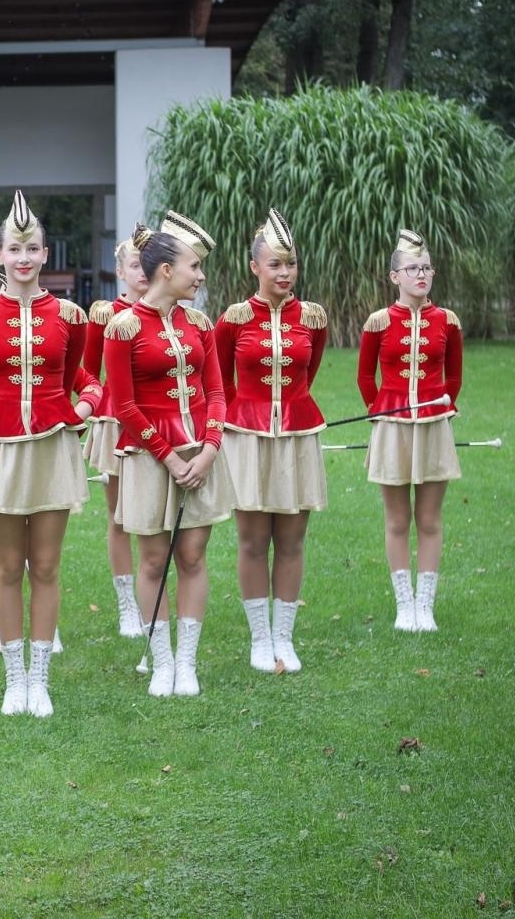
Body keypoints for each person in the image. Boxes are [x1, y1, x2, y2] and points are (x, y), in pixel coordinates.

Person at [0, 192, 91, 717]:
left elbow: (72, 372)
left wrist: (73, 411)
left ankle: (42, 678)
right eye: (15, 249)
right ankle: (15, 678)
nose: (25, 259)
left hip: (53, 445)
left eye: (33, 248)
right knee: (8, 565)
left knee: (48, 565)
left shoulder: (71, 316)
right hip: (0, 448)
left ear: (45, 254)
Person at [104, 212, 234, 697]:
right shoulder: (123, 327)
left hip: (199, 452)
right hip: (149, 457)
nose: (200, 276)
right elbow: (123, 405)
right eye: (194, 266)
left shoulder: (200, 324)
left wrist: (209, 449)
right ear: (165, 271)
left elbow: (218, 393)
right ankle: (161, 662)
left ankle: (187, 661)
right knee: (155, 559)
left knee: (194, 555)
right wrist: (169, 457)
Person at [213, 211, 328, 673]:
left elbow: (310, 370)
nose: (284, 273)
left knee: (293, 540)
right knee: (253, 540)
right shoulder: (234, 319)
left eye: (291, 264)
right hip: (248, 436)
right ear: (254, 267)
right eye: (275, 265)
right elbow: (220, 382)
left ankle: (285, 635)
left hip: (298, 433)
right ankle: (260, 638)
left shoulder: (313, 317)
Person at [358, 228, 463, 632]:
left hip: (435, 426)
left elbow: (454, 374)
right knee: (398, 519)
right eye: (412, 268)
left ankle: (426, 605)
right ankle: (404, 606)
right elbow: (366, 376)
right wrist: (380, 412)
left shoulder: (447, 321)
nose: (421, 274)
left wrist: (444, 406)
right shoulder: (379, 321)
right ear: (394, 277)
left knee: (431, 519)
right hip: (393, 427)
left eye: (426, 268)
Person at [82, 225, 153, 640]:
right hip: (115, 422)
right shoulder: (105, 314)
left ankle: (155, 598)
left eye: (148, 264)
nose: (142, 272)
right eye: (134, 264)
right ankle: (127, 603)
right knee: (119, 516)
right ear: (120, 271)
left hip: (160, 419)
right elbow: (89, 371)